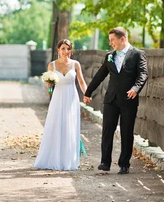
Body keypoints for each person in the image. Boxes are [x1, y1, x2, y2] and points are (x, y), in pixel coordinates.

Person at [83, 27, 148, 174]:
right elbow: (100, 75)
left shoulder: (137, 54)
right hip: (111, 99)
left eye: (113, 40)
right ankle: (105, 162)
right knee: (107, 131)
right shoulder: (109, 56)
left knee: (126, 132)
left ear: (122, 39)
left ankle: (124, 164)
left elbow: (143, 74)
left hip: (128, 100)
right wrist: (88, 92)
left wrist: (136, 89)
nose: (110, 43)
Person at [34, 39, 88, 171]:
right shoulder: (52, 65)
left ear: (71, 50)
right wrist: (49, 80)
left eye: (68, 49)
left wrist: (87, 94)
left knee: (70, 126)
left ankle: (68, 160)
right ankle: (54, 158)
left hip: (71, 98)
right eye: (63, 48)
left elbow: (81, 82)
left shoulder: (75, 64)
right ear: (58, 50)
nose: (65, 51)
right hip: (58, 98)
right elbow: (49, 87)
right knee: (56, 125)